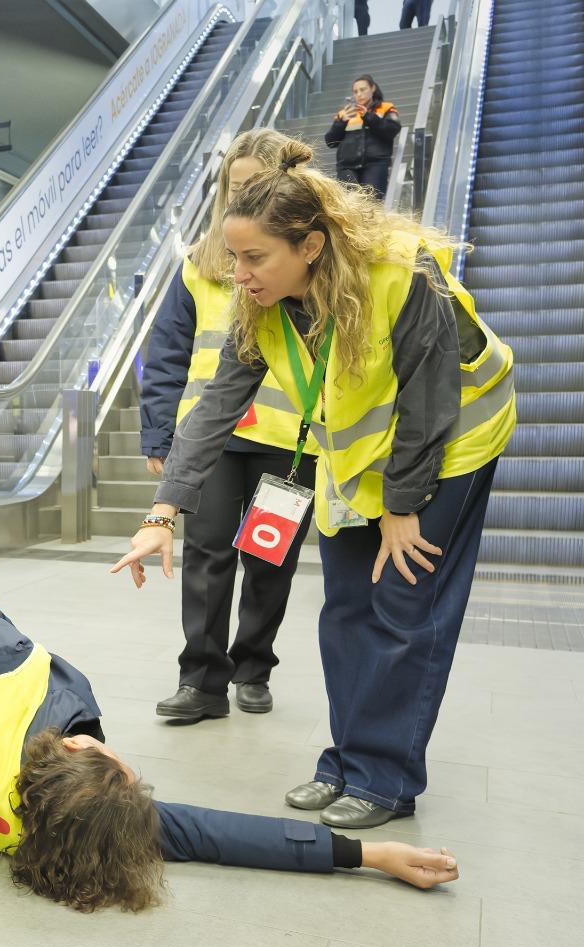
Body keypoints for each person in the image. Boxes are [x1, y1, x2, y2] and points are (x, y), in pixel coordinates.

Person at [113, 134, 514, 830]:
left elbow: (431, 399)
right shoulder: (263, 303)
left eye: (253, 257)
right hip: (361, 455)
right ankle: (347, 763)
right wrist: (163, 510)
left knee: (402, 610)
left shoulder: (402, 273)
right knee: (345, 610)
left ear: (311, 246)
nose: (238, 273)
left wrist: (402, 506)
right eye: (234, 257)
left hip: (452, 446)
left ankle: (386, 780)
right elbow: (214, 407)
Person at [0, 604, 461, 910]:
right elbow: (220, 835)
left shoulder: (10, 672)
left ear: (76, 747)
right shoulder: (39, 828)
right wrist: (370, 855)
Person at [140, 129, 316, 723]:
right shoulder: (199, 262)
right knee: (207, 558)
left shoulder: (302, 264)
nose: (238, 196)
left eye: (253, 186)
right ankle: (202, 681)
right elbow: (165, 353)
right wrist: (159, 435)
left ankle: (253, 667)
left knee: (270, 559)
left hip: (289, 440)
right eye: (232, 186)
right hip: (213, 435)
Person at [324, 75, 401, 201]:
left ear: (373, 88)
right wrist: (342, 122)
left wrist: (368, 116)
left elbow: (392, 130)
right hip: (347, 167)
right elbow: (330, 141)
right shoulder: (345, 113)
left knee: (370, 204)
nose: (359, 94)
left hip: (375, 164)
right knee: (350, 206)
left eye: (363, 89)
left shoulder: (386, 107)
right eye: (355, 91)